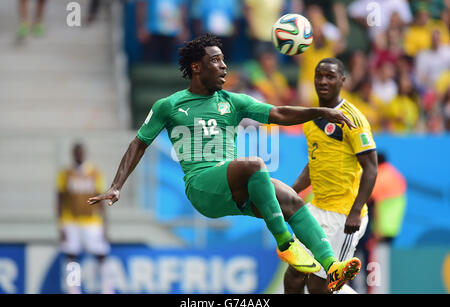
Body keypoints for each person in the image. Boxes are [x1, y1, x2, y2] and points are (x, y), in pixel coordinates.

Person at [87, 34, 361, 293]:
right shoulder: (168, 106)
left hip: (234, 188)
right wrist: (116, 185)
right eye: (215, 60)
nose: (223, 65)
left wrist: (320, 111)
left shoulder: (233, 101)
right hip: (202, 187)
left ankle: (331, 266)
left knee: (291, 200)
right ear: (196, 67)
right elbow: (139, 142)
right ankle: (286, 243)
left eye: (223, 60)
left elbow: (278, 112)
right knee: (253, 164)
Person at [283, 58, 378, 294]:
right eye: (319, 75)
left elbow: (371, 167)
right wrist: (292, 190)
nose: (323, 81)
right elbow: (316, 161)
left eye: (330, 76)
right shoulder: (310, 117)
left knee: (320, 287)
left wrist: (356, 210)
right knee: (294, 272)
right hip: (316, 208)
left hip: (343, 216)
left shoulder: (352, 119)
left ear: (342, 81)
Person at [57, 143, 112, 294]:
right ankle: (73, 289)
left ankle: (107, 288)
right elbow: (60, 200)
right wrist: (61, 224)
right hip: (71, 221)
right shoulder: (65, 174)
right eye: (76, 152)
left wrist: (105, 225)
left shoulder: (95, 173)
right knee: (72, 256)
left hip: (92, 221)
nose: (79, 155)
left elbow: (102, 200)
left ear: (85, 154)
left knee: (101, 254)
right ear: (72, 154)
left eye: (81, 152)